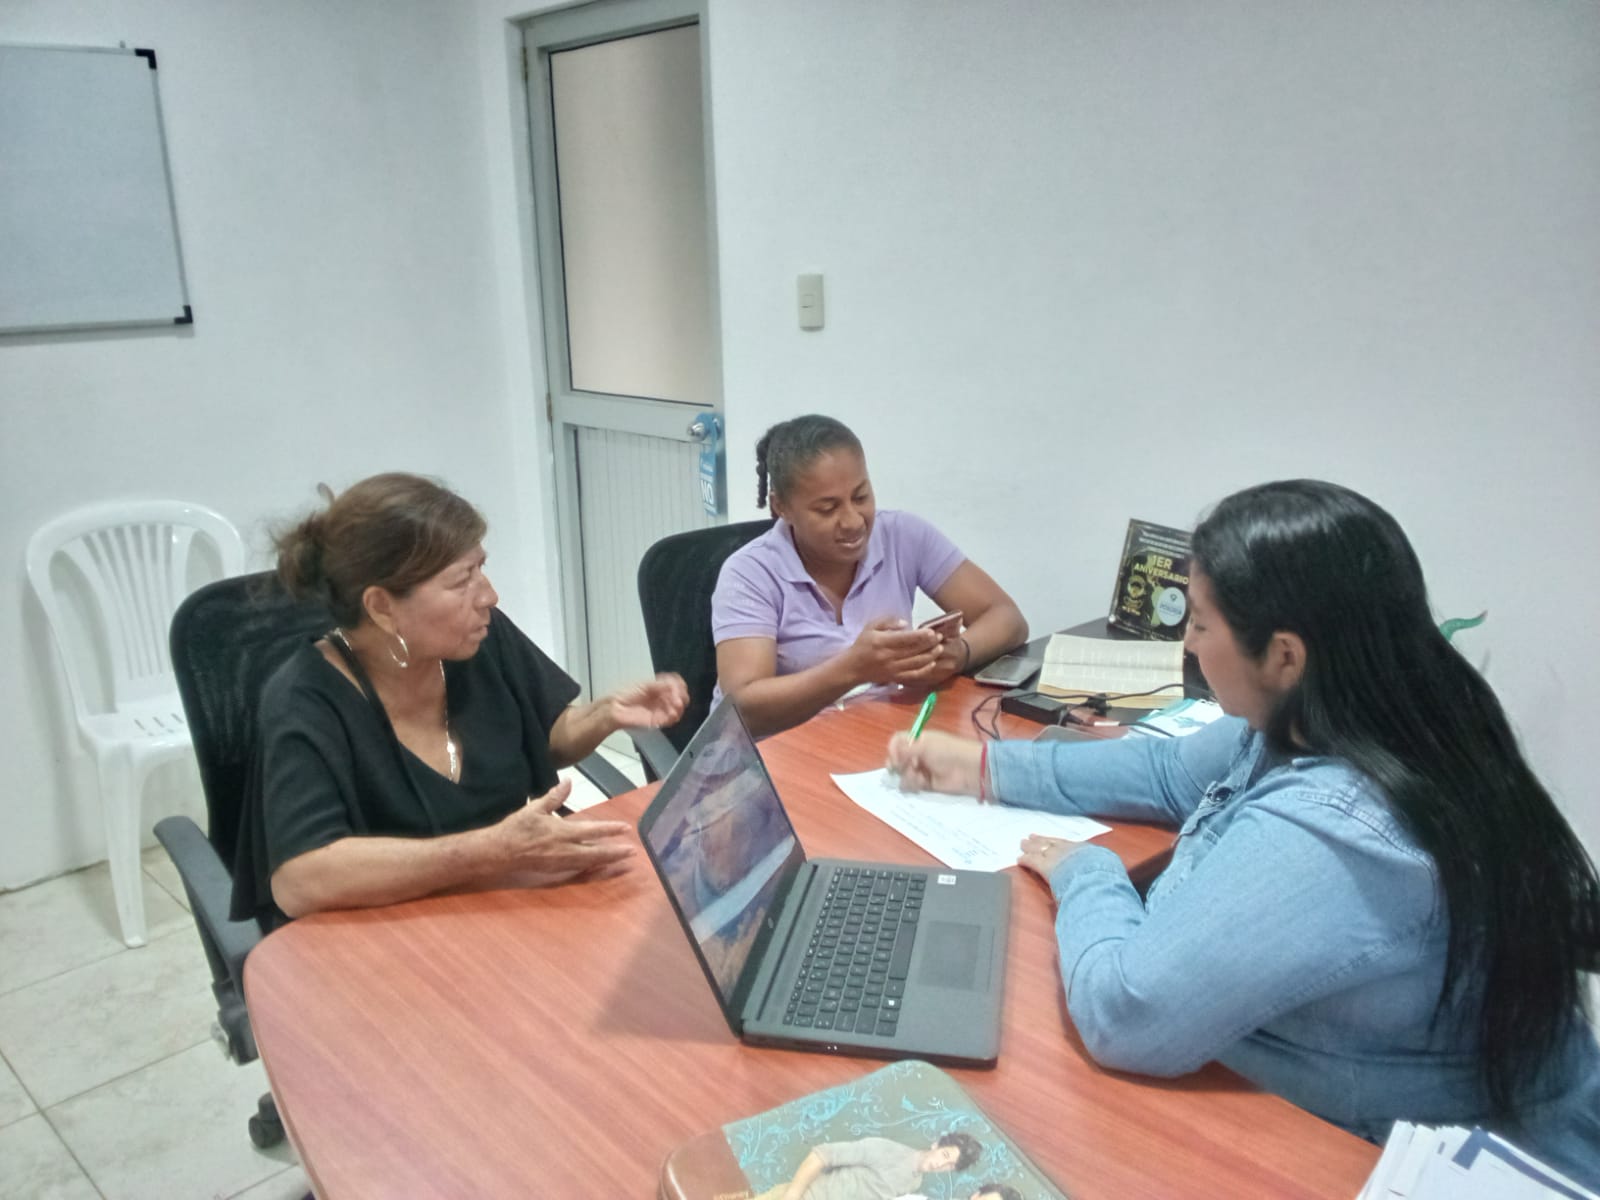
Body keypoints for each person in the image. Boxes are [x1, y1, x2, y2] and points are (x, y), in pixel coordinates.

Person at [888, 480, 1600, 1186]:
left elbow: (1123, 1013)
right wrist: (987, 767)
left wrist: (1088, 872)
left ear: (1285, 655)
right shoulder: (1363, 705)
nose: (1188, 643)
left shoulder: (1337, 828)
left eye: (1200, 624)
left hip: (1437, 1164)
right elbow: (1167, 771)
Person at [232, 473, 688, 927]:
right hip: (387, 932)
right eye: (462, 580)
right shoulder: (304, 698)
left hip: (505, 902)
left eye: (480, 568)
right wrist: (488, 851)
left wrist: (604, 714)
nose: (489, 595)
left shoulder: (479, 640)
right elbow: (301, 880)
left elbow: (547, 738)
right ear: (382, 607)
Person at [714, 415, 1028, 737]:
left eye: (861, 497)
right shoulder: (749, 574)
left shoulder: (902, 535)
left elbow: (1007, 617)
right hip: (778, 750)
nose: (853, 521)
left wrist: (959, 653)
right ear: (781, 507)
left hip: (873, 732)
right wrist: (853, 668)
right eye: (827, 509)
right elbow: (742, 708)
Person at [754, 1132, 983, 1200]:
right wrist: (792, 1196)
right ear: (936, 1144)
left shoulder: (915, 1182)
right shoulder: (887, 1150)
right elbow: (820, 1155)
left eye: (949, 1166)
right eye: (944, 1155)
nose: (940, 1164)